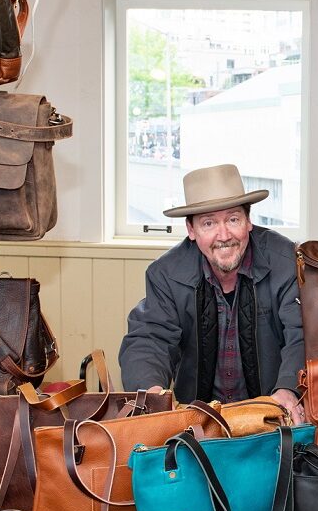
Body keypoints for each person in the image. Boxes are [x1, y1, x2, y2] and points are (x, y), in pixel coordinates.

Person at [119, 163, 305, 423]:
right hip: (195, 423)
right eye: (209, 223)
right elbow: (149, 340)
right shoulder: (165, 273)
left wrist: (287, 390)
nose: (224, 235)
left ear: (248, 222)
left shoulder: (286, 262)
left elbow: (302, 334)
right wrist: (153, 396)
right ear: (191, 230)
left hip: (272, 418)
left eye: (233, 219)